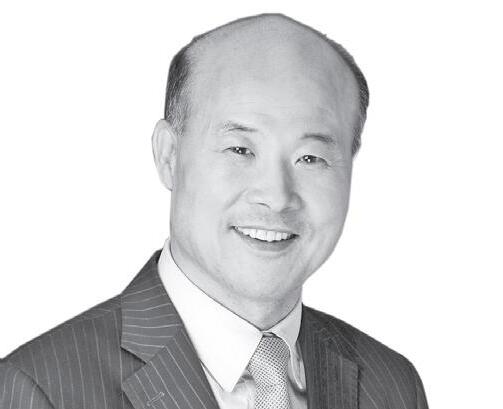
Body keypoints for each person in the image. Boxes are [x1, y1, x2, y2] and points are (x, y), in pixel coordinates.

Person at [0, 13, 428, 409]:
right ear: (169, 156)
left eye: (311, 158)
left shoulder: (392, 385)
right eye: (240, 149)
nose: (277, 196)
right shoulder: (40, 389)